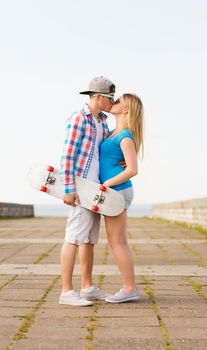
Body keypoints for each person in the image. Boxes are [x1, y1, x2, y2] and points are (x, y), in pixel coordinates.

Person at [59, 76, 115, 306]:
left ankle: (87, 287)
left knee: (89, 240)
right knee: (73, 237)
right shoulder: (79, 118)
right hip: (80, 188)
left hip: (94, 190)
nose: (112, 103)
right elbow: (67, 155)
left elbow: (106, 152)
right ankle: (66, 292)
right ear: (98, 97)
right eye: (110, 98)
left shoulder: (102, 122)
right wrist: (68, 188)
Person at [99, 93, 144, 303]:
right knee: (120, 242)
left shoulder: (124, 135)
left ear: (125, 110)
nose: (113, 102)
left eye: (117, 102)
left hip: (117, 191)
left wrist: (107, 184)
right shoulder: (112, 133)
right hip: (116, 191)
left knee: (117, 242)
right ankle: (129, 287)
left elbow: (133, 169)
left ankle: (129, 288)